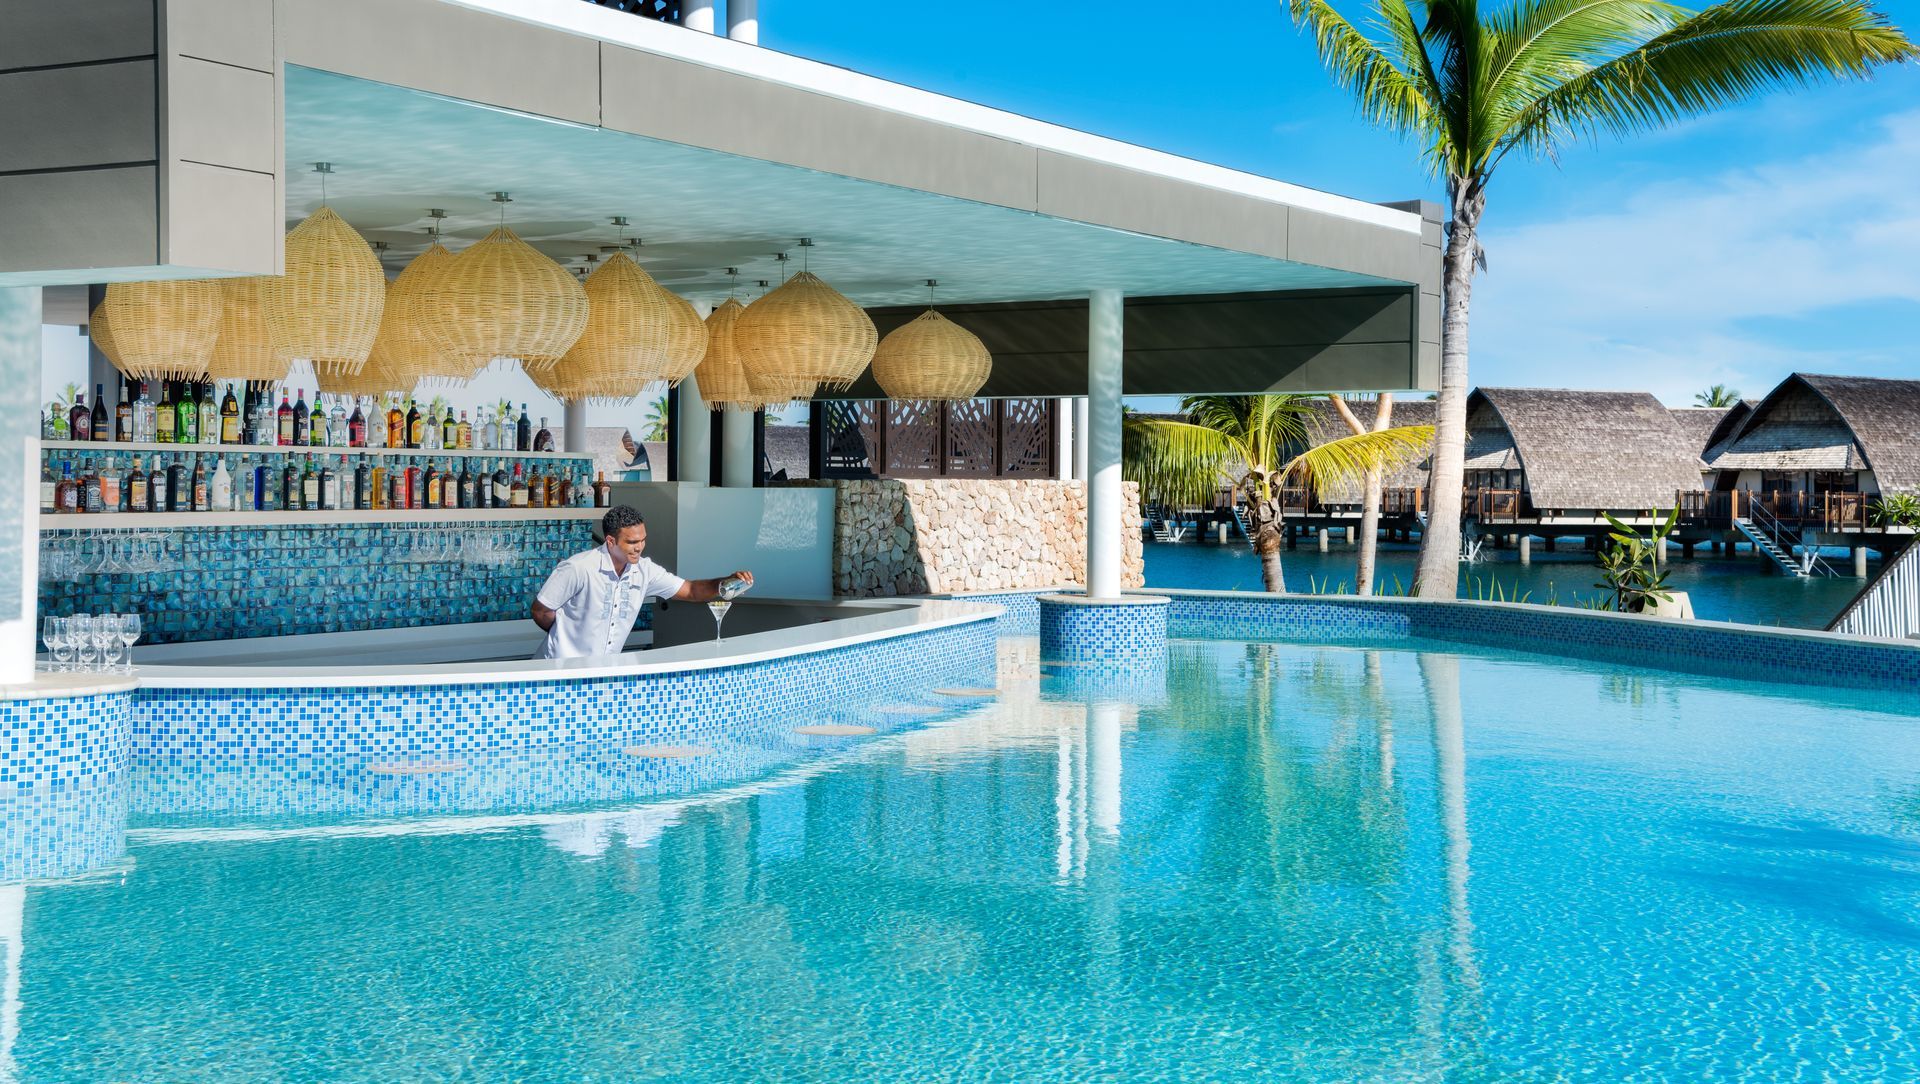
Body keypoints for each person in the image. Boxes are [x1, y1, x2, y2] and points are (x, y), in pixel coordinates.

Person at [531, 505, 752, 660]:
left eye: (643, 540)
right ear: (610, 541)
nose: (640, 547)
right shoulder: (578, 568)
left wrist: (726, 582)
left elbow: (691, 590)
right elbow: (541, 611)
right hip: (557, 668)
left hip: (602, 672)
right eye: (632, 542)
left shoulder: (645, 570)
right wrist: (566, 634)